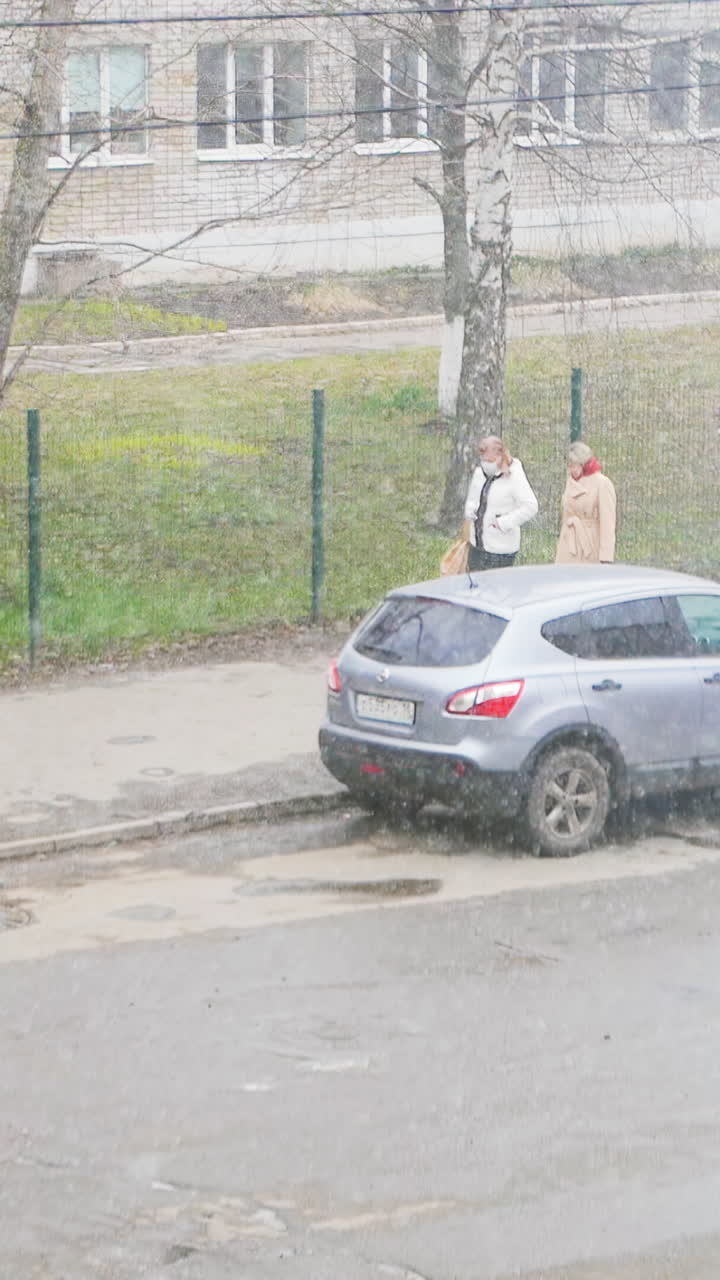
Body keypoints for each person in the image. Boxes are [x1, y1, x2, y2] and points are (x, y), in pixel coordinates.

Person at [462, 435, 538, 571]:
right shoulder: (479, 473)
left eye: (490, 461)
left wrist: (503, 523)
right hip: (476, 545)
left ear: (499, 457)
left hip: (500, 550)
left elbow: (531, 506)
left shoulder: (514, 476)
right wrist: (470, 510)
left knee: (496, 584)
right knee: (474, 582)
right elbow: (472, 498)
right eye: (483, 460)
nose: (486, 464)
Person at [555, 441, 616, 564]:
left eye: (574, 465)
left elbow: (608, 523)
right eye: (569, 465)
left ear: (584, 463)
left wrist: (606, 556)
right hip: (569, 545)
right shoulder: (571, 482)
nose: (571, 469)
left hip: (590, 546)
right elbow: (566, 516)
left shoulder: (602, 483)